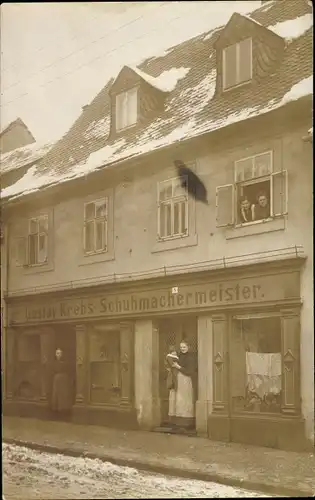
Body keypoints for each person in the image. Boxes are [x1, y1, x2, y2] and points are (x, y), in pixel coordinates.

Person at [170, 340, 196, 430]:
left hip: (186, 380)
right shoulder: (179, 356)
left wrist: (178, 367)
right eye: (181, 347)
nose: (182, 349)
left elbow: (190, 371)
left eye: (184, 347)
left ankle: (187, 423)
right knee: (178, 400)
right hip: (179, 380)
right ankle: (178, 422)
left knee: (185, 400)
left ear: (188, 347)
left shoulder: (191, 357)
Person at [51, 348, 73, 420]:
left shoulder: (65, 362)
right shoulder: (54, 363)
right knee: (56, 394)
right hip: (56, 379)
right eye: (57, 353)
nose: (58, 355)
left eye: (59, 353)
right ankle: (56, 409)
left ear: (62, 354)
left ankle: (64, 409)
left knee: (63, 394)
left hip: (63, 380)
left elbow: (68, 371)